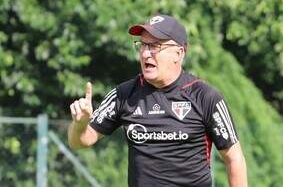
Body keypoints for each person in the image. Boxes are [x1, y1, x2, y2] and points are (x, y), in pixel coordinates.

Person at [68, 14, 247, 187]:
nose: (146, 53)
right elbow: (79, 141)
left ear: (179, 53)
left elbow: (234, 159)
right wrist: (80, 124)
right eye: (143, 45)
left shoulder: (205, 97)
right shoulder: (123, 94)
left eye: (155, 46)